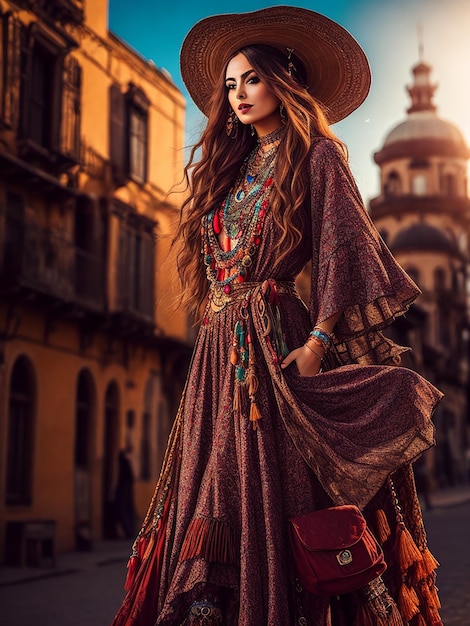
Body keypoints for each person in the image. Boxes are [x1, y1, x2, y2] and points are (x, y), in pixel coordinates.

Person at [112, 7, 444, 626]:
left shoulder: (318, 157)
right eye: (230, 85)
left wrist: (318, 342)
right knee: (213, 479)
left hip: (276, 340)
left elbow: (345, 254)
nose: (238, 95)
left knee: (270, 478)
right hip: (217, 352)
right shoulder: (229, 169)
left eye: (251, 80)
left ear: (283, 81)